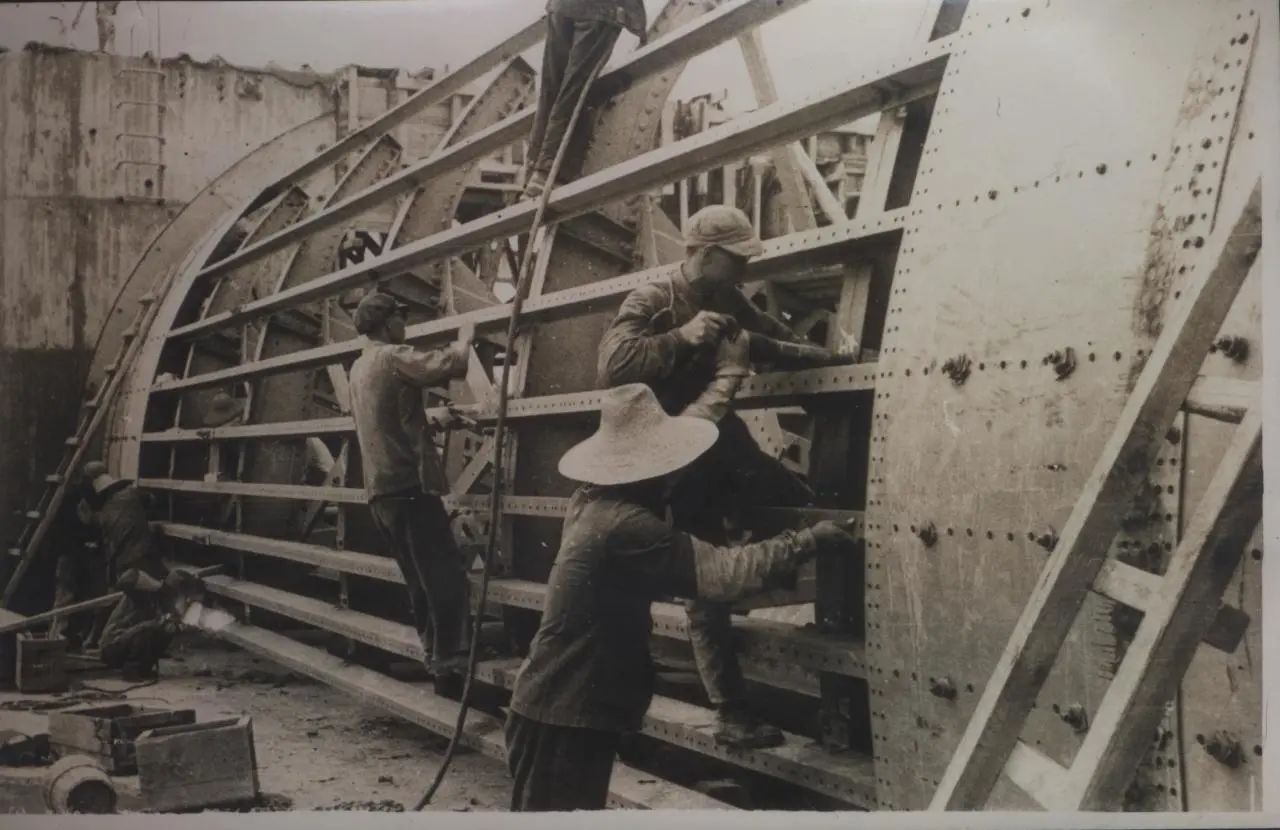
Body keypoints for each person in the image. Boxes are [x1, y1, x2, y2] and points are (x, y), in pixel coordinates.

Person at [504, 383, 858, 811]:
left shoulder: (589, 502)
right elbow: (724, 575)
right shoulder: (628, 527)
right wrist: (807, 541)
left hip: (554, 704)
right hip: (565, 716)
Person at [596, 204, 833, 749]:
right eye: (736, 258)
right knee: (704, 587)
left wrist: (832, 357)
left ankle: (796, 591)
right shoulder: (653, 300)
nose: (745, 269)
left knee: (794, 500)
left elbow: (767, 337)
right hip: (672, 463)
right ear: (704, 254)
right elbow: (612, 367)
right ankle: (730, 712)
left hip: (719, 444)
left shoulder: (729, 296)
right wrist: (683, 336)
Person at [348, 291, 476, 684]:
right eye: (400, 317)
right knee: (444, 575)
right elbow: (452, 364)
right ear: (387, 323)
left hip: (381, 491)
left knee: (419, 580)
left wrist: (435, 420)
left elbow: (387, 417)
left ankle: (434, 655)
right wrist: (466, 336)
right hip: (409, 487)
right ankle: (450, 665)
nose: (405, 324)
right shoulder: (392, 356)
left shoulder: (359, 367)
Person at [522, 0, 647, 198]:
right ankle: (548, 170)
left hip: (561, 7)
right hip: (598, 11)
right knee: (575, 89)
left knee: (552, 88)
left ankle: (534, 170)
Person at [78, 461, 175, 679]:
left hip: (123, 563)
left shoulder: (103, 514)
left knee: (128, 605)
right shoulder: (132, 495)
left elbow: (93, 523)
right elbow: (152, 500)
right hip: (142, 559)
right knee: (145, 607)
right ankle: (135, 650)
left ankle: (97, 640)